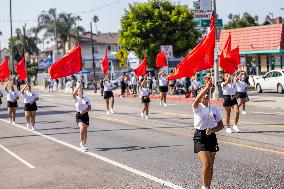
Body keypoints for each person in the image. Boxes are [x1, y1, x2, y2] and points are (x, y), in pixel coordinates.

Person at [192, 79, 224, 189]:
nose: (206, 95)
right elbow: (196, 101)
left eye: (208, 94)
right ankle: (204, 187)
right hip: (200, 136)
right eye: (204, 94)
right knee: (207, 163)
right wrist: (206, 87)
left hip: (211, 136)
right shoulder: (198, 107)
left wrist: (212, 130)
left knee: (211, 165)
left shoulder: (214, 109)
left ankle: (208, 186)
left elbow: (221, 125)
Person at [73, 84, 91, 152]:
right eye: (79, 91)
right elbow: (73, 94)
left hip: (85, 115)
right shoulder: (76, 98)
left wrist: (85, 111)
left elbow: (89, 108)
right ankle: (81, 143)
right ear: (77, 92)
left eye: (81, 91)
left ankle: (84, 144)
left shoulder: (87, 99)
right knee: (82, 128)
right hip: (79, 115)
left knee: (85, 131)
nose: (80, 92)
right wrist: (78, 86)